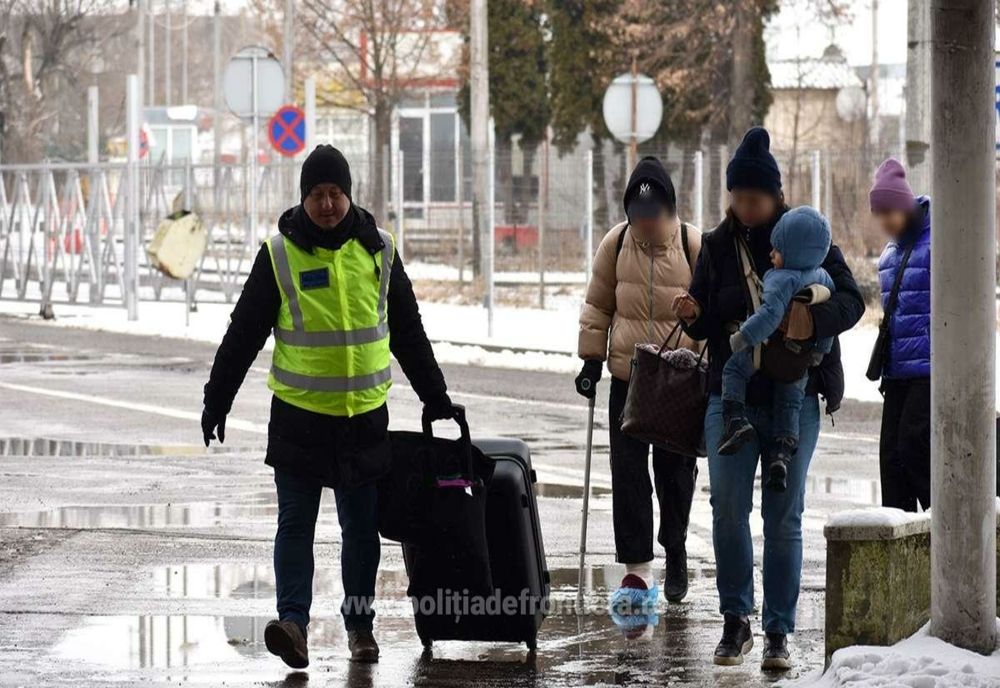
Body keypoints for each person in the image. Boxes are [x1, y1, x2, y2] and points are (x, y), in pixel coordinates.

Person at [201, 145, 454, 667]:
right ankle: (292, 623)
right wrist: (217, 397)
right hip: (299, 418)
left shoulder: (379, 250)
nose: (327, 204)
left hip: (363, 419)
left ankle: (360, 627)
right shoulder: (280, 254)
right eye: (317, 194)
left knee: (361, 529)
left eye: (335, 193)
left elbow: (408, 331)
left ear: (349, 194)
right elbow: (243, 332)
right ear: (303, 198)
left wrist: (436, 397)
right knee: (296, 523)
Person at [672, 127, 864, 670]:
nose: (744, 207)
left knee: (784, 517)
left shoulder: (807, 236)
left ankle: (778, 631)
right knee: (728, 509)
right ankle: (737, 623)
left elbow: (852, 300)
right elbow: (707, 317)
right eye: (737, 197)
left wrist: (811, 316)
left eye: (754, 198)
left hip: (794, 395)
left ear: (776, 196)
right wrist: (694, 314)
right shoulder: (715, 245)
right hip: (730, 396)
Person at [576, 156, 702, 610]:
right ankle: (636, 570)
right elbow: (597, 305)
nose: (645, 223)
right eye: (638, 214)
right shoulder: (615, 244)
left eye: (653, 213)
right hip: (629, 379)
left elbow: (711, 308)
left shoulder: (692, 245)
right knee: (628, 476)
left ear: (670, 208)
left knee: (675, 475)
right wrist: (592, 361)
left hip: (678, 381)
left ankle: (676, 547)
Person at [717, 206, 836, 494]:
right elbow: (829, 318)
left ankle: (735, 419)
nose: (772, 254)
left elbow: (769, 317)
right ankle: (781, 456)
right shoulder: (823, 277)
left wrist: (742, 337)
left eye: (777, 249)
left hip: (768, 353)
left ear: (793, 251)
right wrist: (819, 351)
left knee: (733, 370)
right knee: (789, 403)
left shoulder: (779, 278)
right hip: (800, 361)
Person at [869, 158, 931, 512]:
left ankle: (943, 521)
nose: (885, 220)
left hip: (929, 367)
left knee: (912, 442)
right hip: (898, 370)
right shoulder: (890, 253)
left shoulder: (938, 239)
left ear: (906, 204)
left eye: (890, 210)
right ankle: (901, 532)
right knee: (890, 458)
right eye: (880, 213)